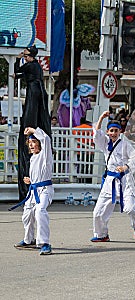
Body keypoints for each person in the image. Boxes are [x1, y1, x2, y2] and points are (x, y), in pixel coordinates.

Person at [91, 111, 135, 242]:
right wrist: (101, 118)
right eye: (111, 131)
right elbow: (97, 134)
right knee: (98, 212)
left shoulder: (125, 144)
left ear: (120, 132)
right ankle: (102, 234)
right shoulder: (105, 143)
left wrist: (126, 167)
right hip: (110, 181)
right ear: (108, 132)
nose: (113, 133)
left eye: (116, 131)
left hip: (125, 180)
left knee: (130, 208)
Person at [13, 45, 51, 202]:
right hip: (39, 90)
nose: (25, 56)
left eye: (26, 54)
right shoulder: (37, 66)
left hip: (33, 91)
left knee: (30, 113)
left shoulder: (30, 65)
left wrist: (17, 59)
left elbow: (17, 73)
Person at [13, 127, 54, 255]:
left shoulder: (45, 154)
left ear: (40, 144)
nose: (31, 145)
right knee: (27, 214)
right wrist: (30, 180)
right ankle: (29, 239)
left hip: (45, 190)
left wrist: (32, 130)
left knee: (40, 210)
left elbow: (46, 139)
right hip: (34, 190)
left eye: (34, 142)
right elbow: (38, 174)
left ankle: (44, 243)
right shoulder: (33, 158)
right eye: (30, 143)